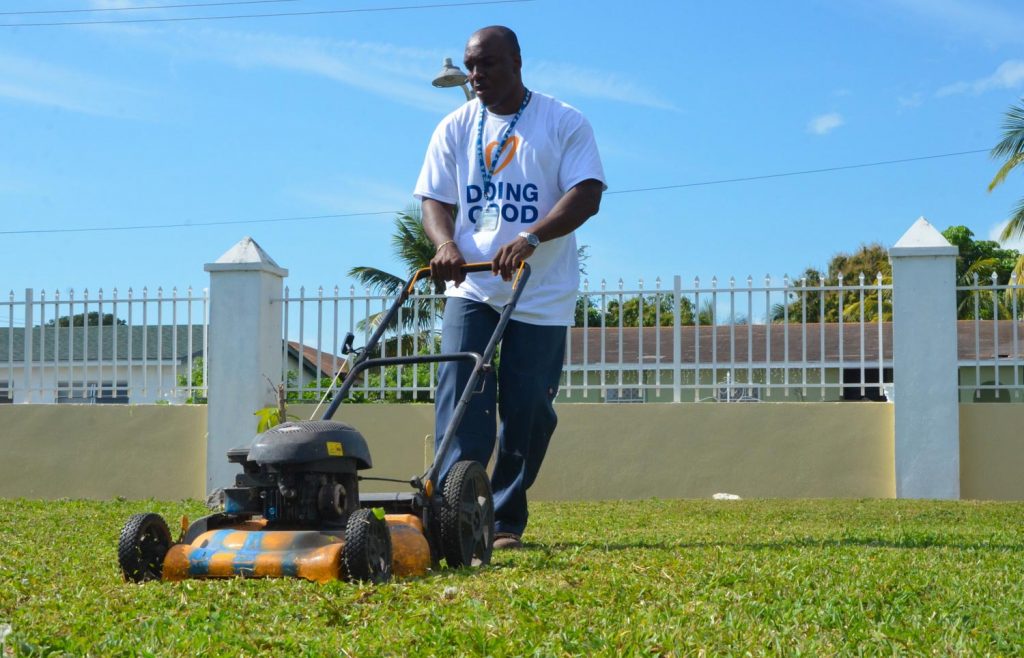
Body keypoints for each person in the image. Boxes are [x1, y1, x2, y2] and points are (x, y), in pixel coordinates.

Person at [414, 25, 605, 549]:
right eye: (472, 66)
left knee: (528, 410)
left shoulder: (563, 121)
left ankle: (503, 521)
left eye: (488, 65)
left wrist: (532, 236)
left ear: (518, 62)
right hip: (472, 289)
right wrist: (445, 244)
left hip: (538, 293)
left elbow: (587, 194)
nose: (476, 75)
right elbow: (434, 200)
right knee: (461, 400)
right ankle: (456, 515)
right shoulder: (454, 127)